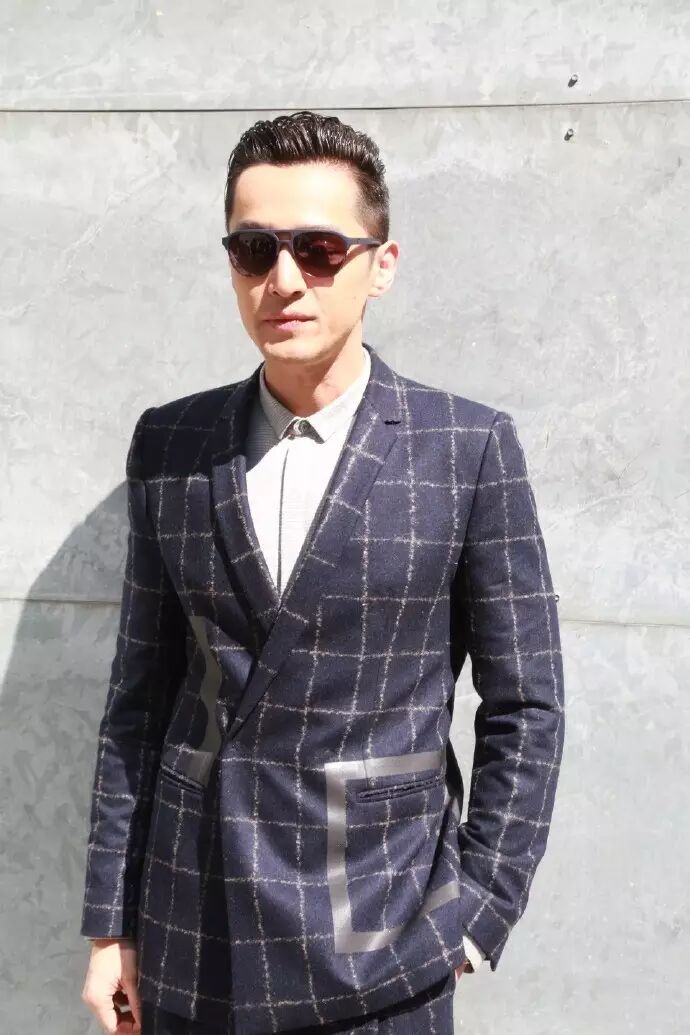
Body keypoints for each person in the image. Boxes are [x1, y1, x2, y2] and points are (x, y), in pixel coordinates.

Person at [79, 110, 565, 1035]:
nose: (284, 279)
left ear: (382, 264)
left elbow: (526, 704)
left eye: (319, 248)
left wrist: (480, 910)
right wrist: (112, 924)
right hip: (194, 931)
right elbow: (140, 696)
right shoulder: (172, 442)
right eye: (254, 249)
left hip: (381, 937)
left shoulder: (466, 449)